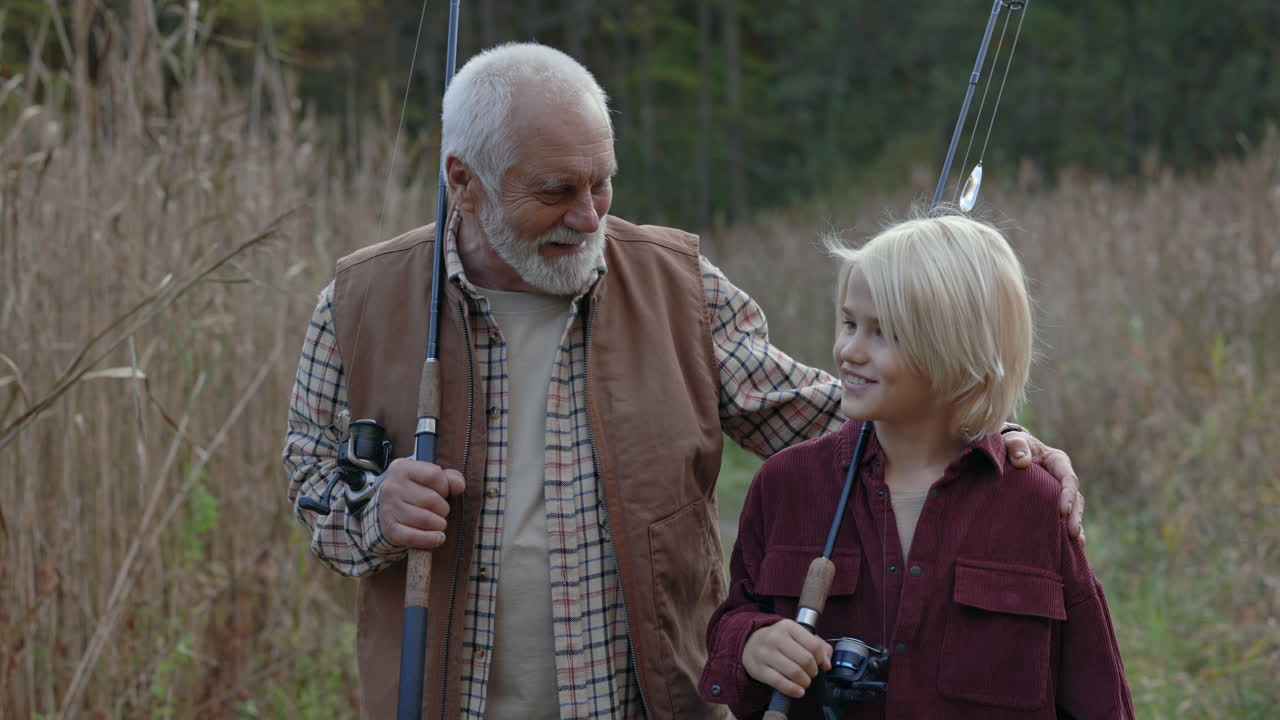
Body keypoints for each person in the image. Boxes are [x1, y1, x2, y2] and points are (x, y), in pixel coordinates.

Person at [282, 43, 1084, 720]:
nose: (589, 216)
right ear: (464, 181)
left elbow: (820, 418)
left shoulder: (679, 284)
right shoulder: (360, 302)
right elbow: (311, 477)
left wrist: (987, 436)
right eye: (556, 191)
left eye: (603, 183)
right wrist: (375, 511)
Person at [699, 214, 1132, 719]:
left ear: (956, 350)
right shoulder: (784, 484)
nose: (848, 351)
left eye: (882, 333)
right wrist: (752, 644)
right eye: (849, 323)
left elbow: (1099, 698)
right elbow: (733, 621)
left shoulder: (1037, 504)